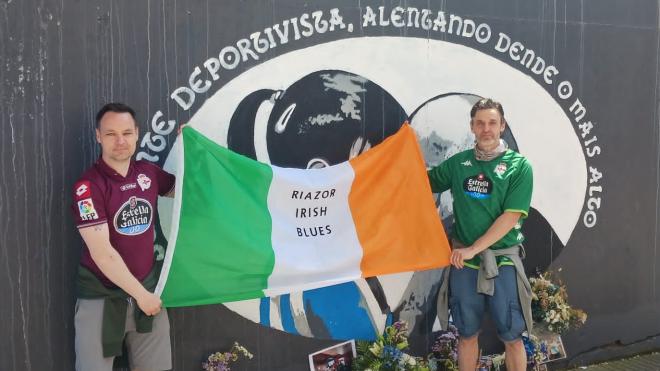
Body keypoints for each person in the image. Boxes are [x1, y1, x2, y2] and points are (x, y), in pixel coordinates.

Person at [430, 98, 534, 371]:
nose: (486, 129)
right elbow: (421, 182)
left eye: (492, 123)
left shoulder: (519, 166)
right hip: (464, 263)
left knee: (512, 336)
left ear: (502, 126)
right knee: (466, 334)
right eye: (480, 123)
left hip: (501, 261)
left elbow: (510, 217)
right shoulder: (458, 164)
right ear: (472, 127)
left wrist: (473, 249)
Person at [71, 103, 175, 371]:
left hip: (148, 294)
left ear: (137, 134)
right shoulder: (88, 187)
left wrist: (194, 149)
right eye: (110, 134)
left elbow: (187, 189)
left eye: (127, 133)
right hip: (103, 298)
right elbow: (102, 253)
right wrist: (142, 296)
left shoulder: (147, 173)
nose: (120, 141)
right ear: (98, 136)